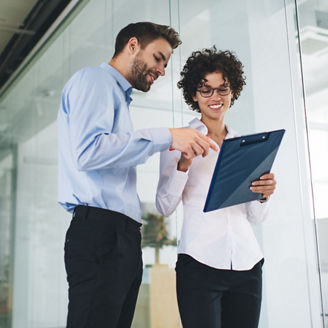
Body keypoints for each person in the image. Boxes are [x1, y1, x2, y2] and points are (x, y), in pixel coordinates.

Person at [57, 22, 217, 328]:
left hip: (120, 236)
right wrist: (167, 136)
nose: (162, 70)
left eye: (166, 63)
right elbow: (88, 152)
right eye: (158, 58)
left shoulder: (118, 98)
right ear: (133, 45)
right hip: (101, 233)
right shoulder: (95, 81)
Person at [156, 47, 277, 328]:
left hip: (247, 264)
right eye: (206, 90)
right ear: (194, 95)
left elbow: (256, 217)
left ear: (232, 92)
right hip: (199, 264)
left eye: (222, 89)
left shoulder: (248, 145)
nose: (215, 97)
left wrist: (263, 195)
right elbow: (164, 206)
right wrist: (183, 165)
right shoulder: (179, 140)